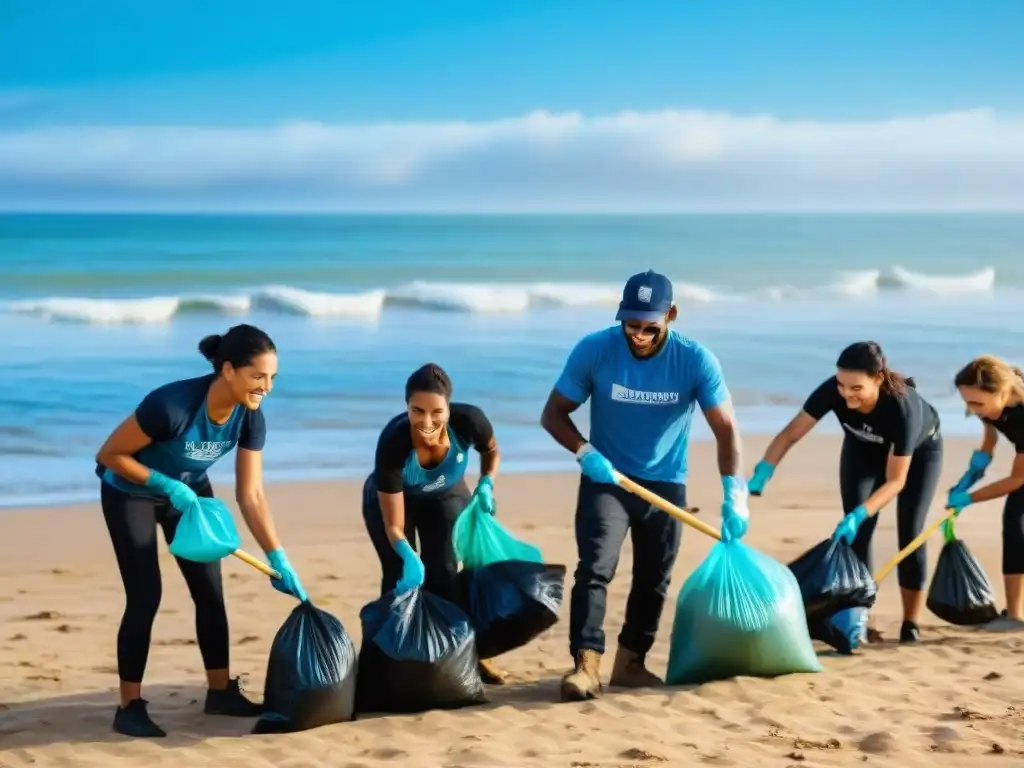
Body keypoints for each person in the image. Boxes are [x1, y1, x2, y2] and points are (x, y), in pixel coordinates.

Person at [539, 269, 749, 702]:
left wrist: (735, 494)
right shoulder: (595, 350)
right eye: (630, 324)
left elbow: (726, 428)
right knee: (596, 566)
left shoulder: (695, 360)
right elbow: (553, 414)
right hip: (607, 479)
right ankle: (585, 665)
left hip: (666, 483)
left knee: (654, 577)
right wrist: (584, 452)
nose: (637, 335)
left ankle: (631, 664)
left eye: (649, 327)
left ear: (671, 315)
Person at [94, 323, 307, 738]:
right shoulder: (171, 406)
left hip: (191, 492)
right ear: (228, 370)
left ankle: (220, 691)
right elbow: (110, 454)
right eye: (257, 376)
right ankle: (129, 706)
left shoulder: (250, 417)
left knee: (210, 590)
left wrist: (277, 556)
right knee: (145, 595)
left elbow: (252, 495)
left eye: (272, 378)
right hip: (131, 492)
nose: (266, 387)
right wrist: (166, 485)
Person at [747, 341, 942, 644]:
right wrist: (764, 469)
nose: (846, 394)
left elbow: (896, 481)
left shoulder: (901, 408)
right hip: (862, 449)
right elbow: (790, 434)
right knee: (857, 536)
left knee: (910, 531)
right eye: (841, 385)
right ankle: (859, 622)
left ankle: (910, 624)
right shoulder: (832, 391)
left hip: (918, 454)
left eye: (856, 388)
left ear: (878, 377)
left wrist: (860, 512)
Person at [362, 362, 509, 684]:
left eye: (437, 412)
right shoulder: (394, 441)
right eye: (417, 411)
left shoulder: (470, 420)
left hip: (445, 493)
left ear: (449, 406)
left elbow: (492, 450)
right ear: (406, 407)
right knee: (399, 577)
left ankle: (466, 658)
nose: (427, 422)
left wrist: (487, 482)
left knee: (445, 574)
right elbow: (394, 526)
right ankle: (391, 665)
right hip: (393, 501)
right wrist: (407, 554)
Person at [948, 355, 1024, 627]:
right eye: (967, 402)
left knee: (1017, 522)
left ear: (1001, 392)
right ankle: (1014, 616)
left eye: (977, 403)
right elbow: (989, 443)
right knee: (1015, 525)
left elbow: (1017, 480)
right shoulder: (990, 407)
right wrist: (969, 477)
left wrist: (969, 498)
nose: (972, 409)